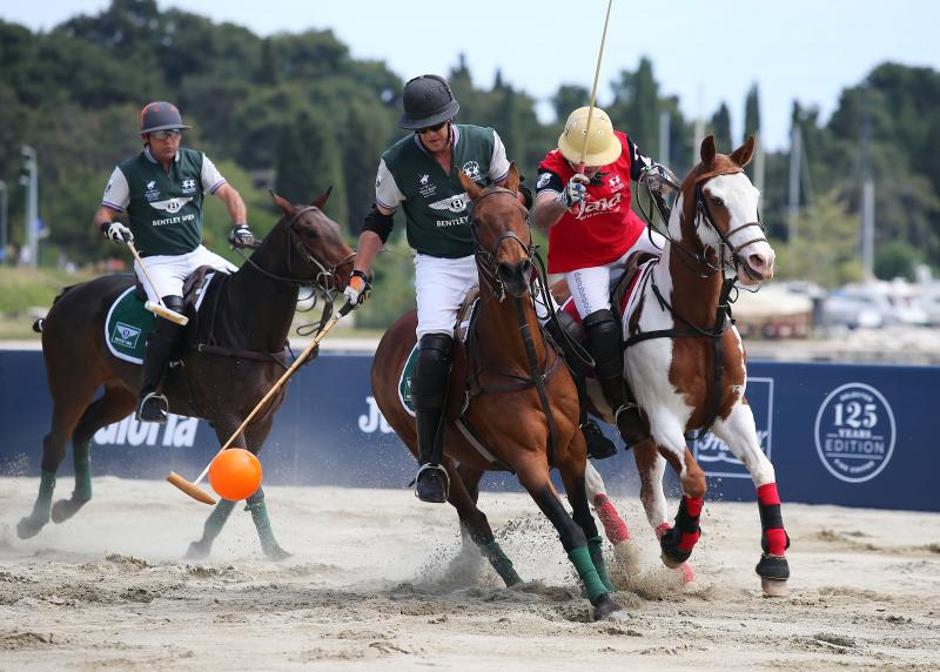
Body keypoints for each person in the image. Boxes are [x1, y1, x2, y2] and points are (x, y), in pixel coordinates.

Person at [344, 74, 530, 503]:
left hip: (491, 255)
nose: (430, 134)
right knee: (433, 348)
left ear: (450, 120)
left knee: (542, 324)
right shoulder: (396, 163)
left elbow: (515, 193)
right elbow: (378, 220)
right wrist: (359, 271)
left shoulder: (485, 142)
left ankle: (579, 422)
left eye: (436, 125)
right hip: (439, 265)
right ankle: (430, 462)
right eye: (422, 128)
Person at [93, 101, 256, 423]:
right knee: (173, 313)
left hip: (195, 253)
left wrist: (241, 226)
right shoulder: (129, 172)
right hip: (156, 261)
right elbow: (104, 213)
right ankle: (150, 393)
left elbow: (230, 194)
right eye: (162, 134)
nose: (170, 140)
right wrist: (110, 227)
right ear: (146, 138)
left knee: (244, 291)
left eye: (175, 133)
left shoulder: (197, 161)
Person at [532, 106, 674, 445]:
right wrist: (563, 200)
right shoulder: (553, 167)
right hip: (585, 260)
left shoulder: (622, 145)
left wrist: (659, 177)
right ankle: (621, 406)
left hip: (631, 238)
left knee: (683, 264)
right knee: (601, 325)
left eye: (600, 158)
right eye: (588, 159)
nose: (595, 165)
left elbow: (655, 175)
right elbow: (540, 215)